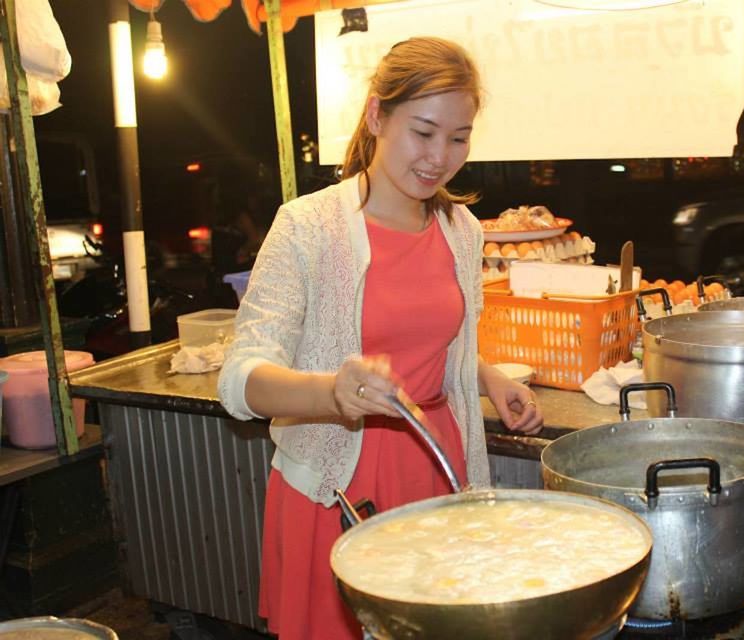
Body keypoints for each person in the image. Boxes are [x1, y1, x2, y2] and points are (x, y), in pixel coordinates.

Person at [217, 37, 543, 640]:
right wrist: (331, 393)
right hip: (338, 481)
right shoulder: (307, 226)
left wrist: (488, 376)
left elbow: (436, 345)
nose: (439, 156)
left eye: (458, 137)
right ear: (376, 116)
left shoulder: (461, 229)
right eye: (423, 131)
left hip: (437, 464)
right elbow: (240, 379)